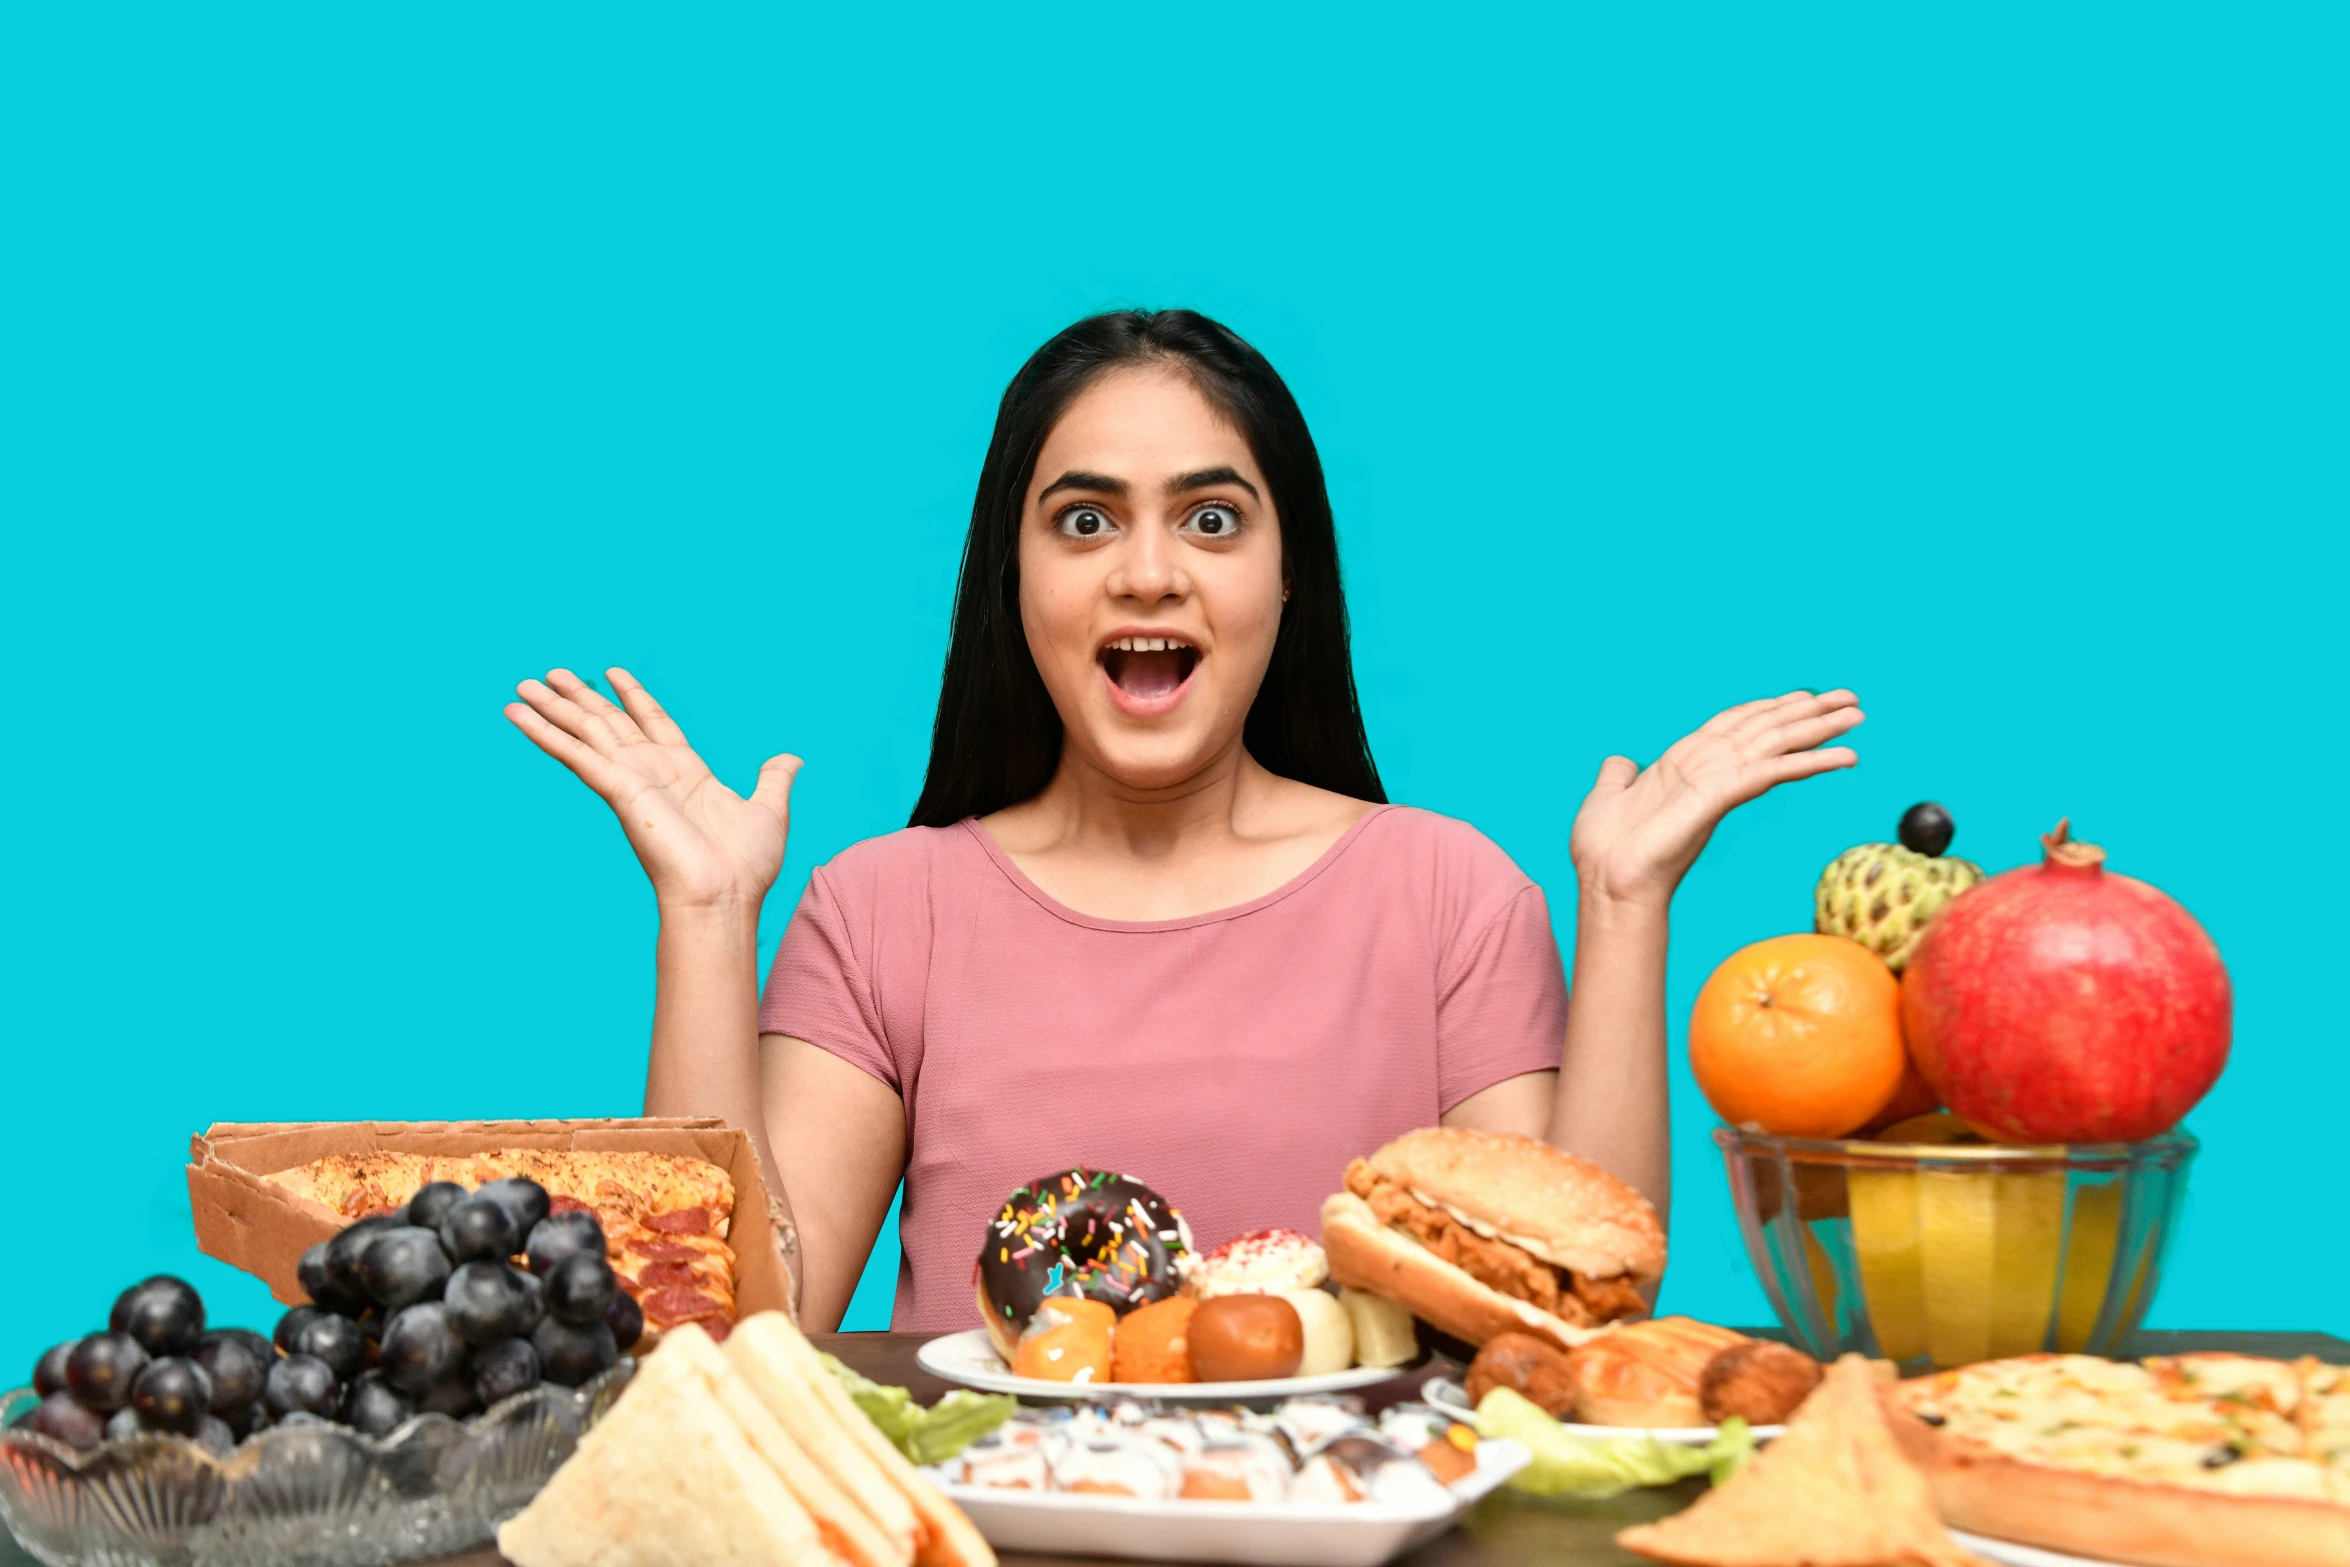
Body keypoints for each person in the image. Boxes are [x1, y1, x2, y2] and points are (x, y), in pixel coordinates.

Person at [507, 309, 1862, 1331]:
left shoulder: (1446, 894)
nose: (1146, 573)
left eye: (1211, 519)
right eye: (1083, 520)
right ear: (1012, 577)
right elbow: (730, 1338)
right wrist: (701, 915)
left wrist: (1624, 907)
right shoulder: (885, 910)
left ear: (1287, 580)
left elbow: (1578, 1311)